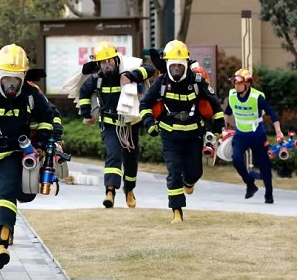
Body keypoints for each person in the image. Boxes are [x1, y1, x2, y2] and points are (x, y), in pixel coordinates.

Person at [0, 44, 58, 270]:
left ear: (24, 78)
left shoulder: (31, 94)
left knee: (5, 195)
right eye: (7, 78)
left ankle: (2, 245)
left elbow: (47, 118)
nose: (11, 84)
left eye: (16, 80)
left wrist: (41, 143)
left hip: (12, 154)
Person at [140, 40, 224, 223]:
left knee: (195, 173)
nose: (176, 69)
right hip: (169, 137)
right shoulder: (161, 83)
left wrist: (218, 126)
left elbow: (214, 103)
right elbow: (145, 104)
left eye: (180, 65)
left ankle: (189, 182)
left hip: (193, 135)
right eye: (173, 65)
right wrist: (149, 124)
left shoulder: (197, 81)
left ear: (186, 63)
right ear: (167, 65)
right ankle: (176, 212)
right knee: (174, 172)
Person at [78, 41, 156, 209]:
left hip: (130, 124)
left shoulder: (126, 70)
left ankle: (129, 191)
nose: (108, 65)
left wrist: (132, 76)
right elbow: (84, 92)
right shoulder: (96, 79)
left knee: (130, 159)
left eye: (110, 61)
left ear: (116, 59)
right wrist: (87, 114)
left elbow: (150, 70)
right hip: (109, 124)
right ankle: (110, 192)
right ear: (98, 64)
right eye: (104, 62)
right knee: (113, 155)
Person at [224, 68, 283, 203]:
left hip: (257, 135)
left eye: (239, 82)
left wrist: (278, 132)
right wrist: (223, 128)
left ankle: (269, 194)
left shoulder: (257, 97)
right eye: (234, 82)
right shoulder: (232, 95)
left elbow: (272, 114)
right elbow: (227, 112)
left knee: (264, 164)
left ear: (247, 84)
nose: (236, 85)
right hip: (240, 135)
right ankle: (250, 184)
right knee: (237, 159)